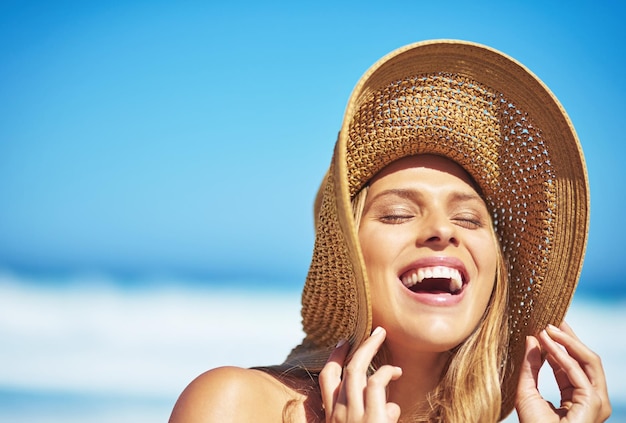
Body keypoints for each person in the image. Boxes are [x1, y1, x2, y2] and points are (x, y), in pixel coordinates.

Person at [169, 40, 611, 422]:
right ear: (346, 257)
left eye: (469, 219)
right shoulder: (235, 404)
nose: (442, 230)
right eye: (398, 214)